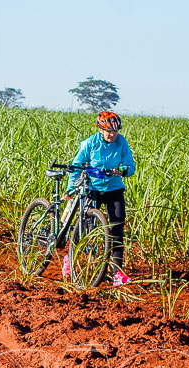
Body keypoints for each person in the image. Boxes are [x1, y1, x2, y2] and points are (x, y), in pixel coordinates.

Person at [64, 111, 136, 285]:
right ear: (100, 129)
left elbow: (131, 166)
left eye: (115, 131)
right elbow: (75, 166)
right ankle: (69, 260)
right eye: (109, 131)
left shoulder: (121, 142)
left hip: (114, 188)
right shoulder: (89, 143)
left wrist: (122, 170)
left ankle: (117, 273)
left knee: (117, 228)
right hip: (93, 188)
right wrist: (71, 188)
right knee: (85, 227)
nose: (112, 134)